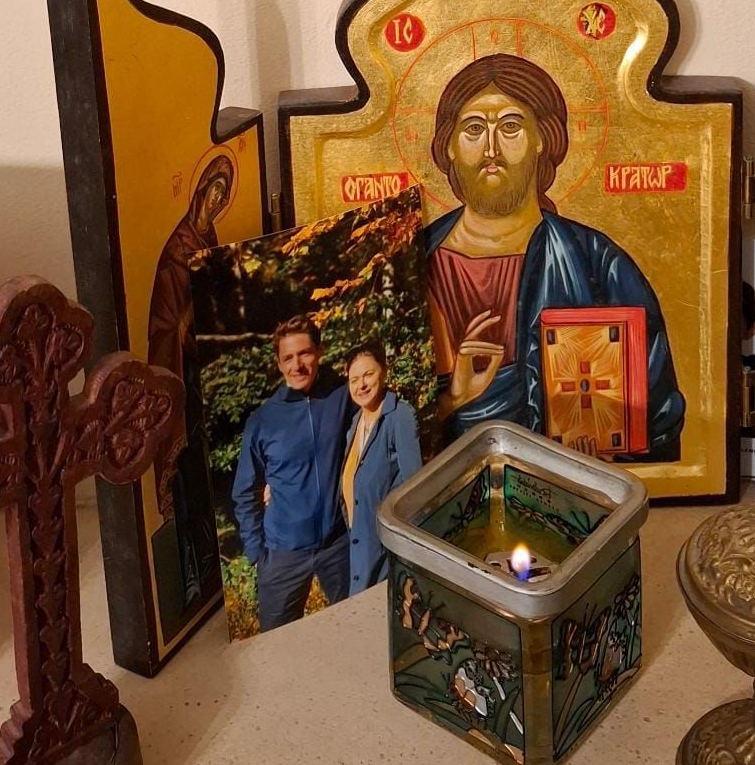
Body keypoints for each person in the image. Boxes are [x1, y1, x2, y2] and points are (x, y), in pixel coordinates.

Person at [423, 53, 685, 458]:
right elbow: (379, 426)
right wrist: (453, 400)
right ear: (450, 146)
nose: (491, 148)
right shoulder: (414, 263)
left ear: (542, 138)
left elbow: (657, 410)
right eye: (473, 128)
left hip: (566, 485)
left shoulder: (594, 261)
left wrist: (606, 442)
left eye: (510, 126)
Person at [147, 152, 239, 606]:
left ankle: (212, 568)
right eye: (215, 191)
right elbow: (164, 329)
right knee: (186, 476)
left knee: (207, 474)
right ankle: (190, 575)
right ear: (200, 191)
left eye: (225, 195)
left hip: (204, 378)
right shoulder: (174, 254)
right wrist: (188, 318)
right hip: (180, 384)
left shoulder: (208, 240)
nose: (218, 200)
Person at [231, 316, 353, 632]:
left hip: (337, 546)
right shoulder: (263, 420)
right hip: (282, 555)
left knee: (356, 628)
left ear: (319, 352)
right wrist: (257, 552)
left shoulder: (342, 397)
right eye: (288, 357)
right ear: (279, 363)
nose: (297, 365)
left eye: (304, 353)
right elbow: (244, 491)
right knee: (276, 645)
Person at [339, 341, 422, 596]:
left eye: (368, 374)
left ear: (383, 372)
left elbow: (415, 490)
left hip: (385, 550)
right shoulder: (355, 423)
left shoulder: (399, 417)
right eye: (354, 379)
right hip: (360, 546)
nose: (361, 385)